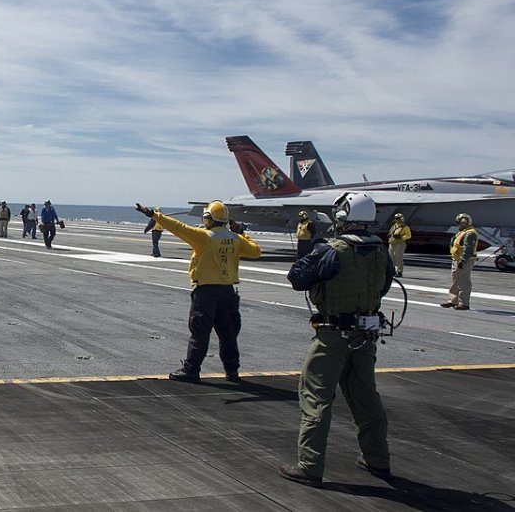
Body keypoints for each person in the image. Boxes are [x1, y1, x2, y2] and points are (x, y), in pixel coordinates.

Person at [279, 192, 394, 487]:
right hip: (366, 335)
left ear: (343, 215)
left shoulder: (332, 249)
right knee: (366, 397)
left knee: (315, 396)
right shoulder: (381, 250)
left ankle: (310, 465)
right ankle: (377, 459)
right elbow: (384, 286)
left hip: (333, 335)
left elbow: (297, 278)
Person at [135, 200, 261, 382]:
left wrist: (154, 215)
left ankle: (191, 370)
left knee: (200, 332)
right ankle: (232, 371)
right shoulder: (236, 239)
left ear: (210, 218)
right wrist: (240, 231)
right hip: (228, 292)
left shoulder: (205, 237)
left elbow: (178, 227)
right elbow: (256, 251)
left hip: (206, 292)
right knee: (228, 334)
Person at [441, 213, 478, 310]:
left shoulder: (470, 233)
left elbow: (468, 248)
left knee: (464, 281)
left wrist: (463, 260)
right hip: (457, 259)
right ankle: (453, 301)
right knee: (455, 281)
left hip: (464, 260)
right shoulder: (461, 232)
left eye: (462, 222)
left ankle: (464, 303)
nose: (460, 224)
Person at [387, 212, 412, 277]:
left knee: (398, 258)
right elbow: (391, 232)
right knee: (391, 258)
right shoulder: (394, 226)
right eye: (396, 218)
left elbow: (409, 235)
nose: (397, 220)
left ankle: (399, 271)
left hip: (399, 244)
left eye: (398, 218)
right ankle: (392, 270)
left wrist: (401, 237)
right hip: (392, 243)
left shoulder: (405, 227)